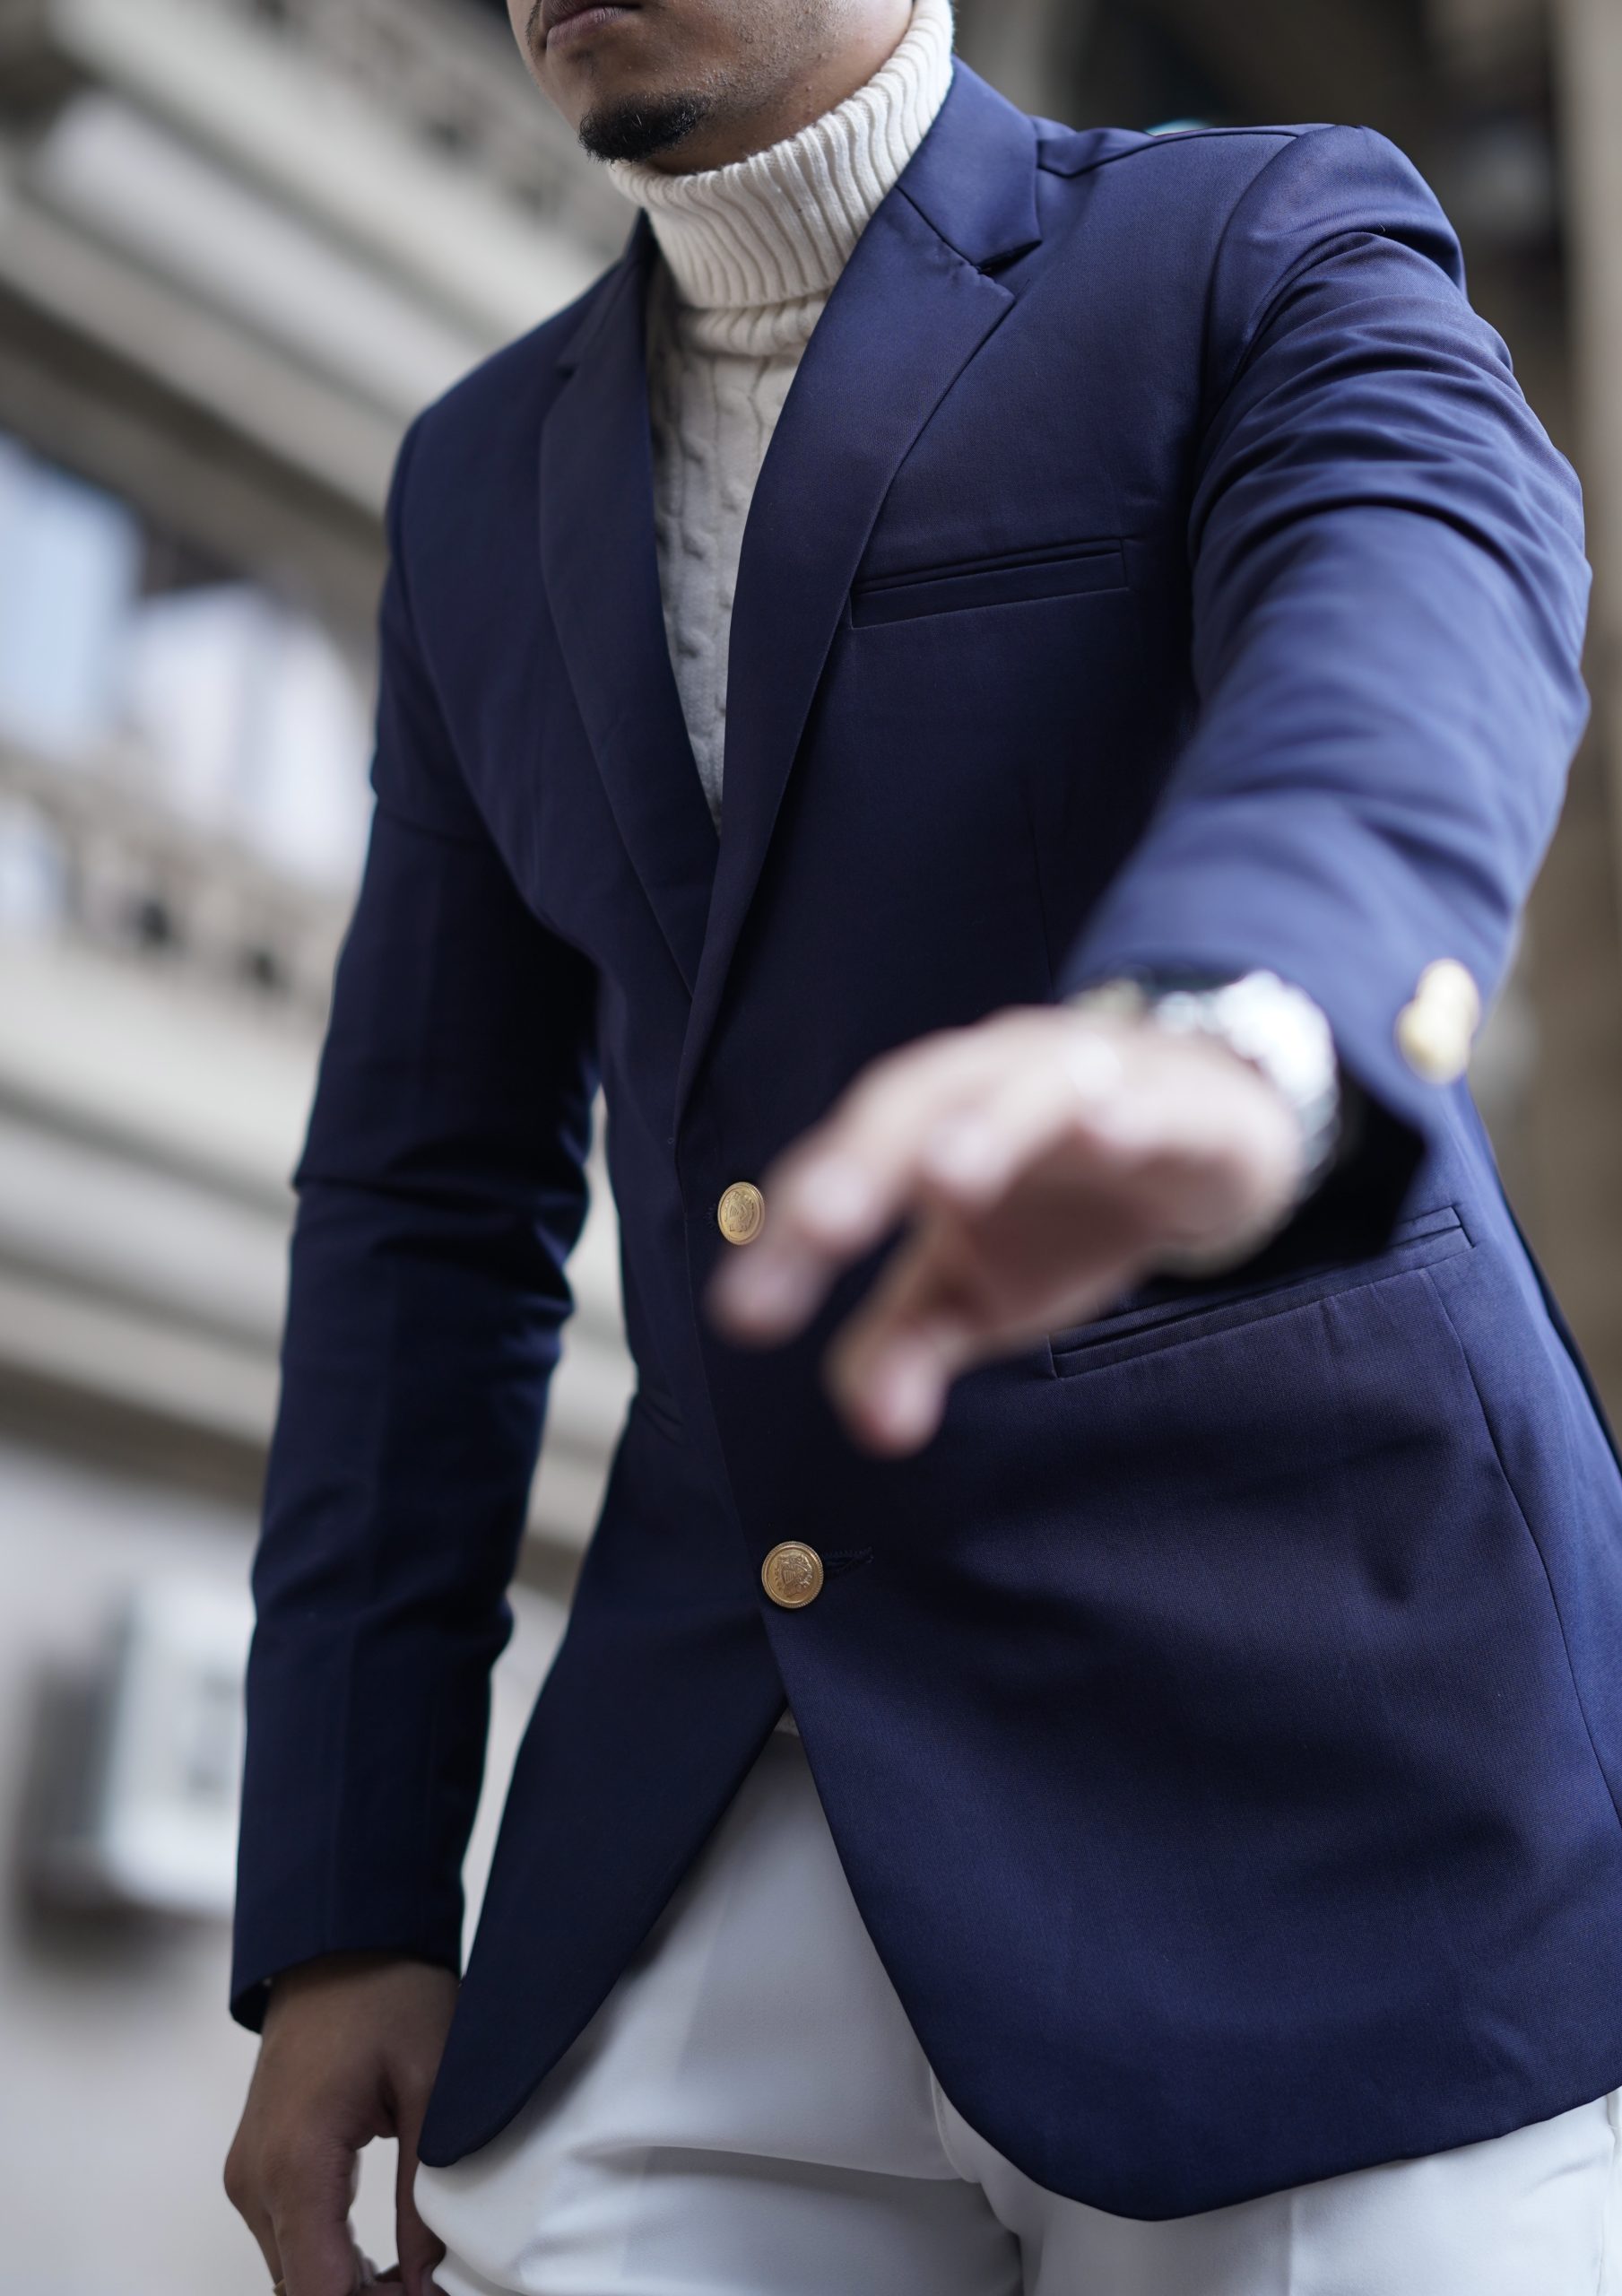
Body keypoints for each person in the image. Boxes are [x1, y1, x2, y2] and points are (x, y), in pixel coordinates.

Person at [223, 1, 1622, 2290]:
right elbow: (426, 1209)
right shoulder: (475, 482)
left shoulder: (1253, 232)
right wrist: (345, 1900)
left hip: (1323, 1799)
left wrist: (1224, 1014)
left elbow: (1418, 592)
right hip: (708, 1812)